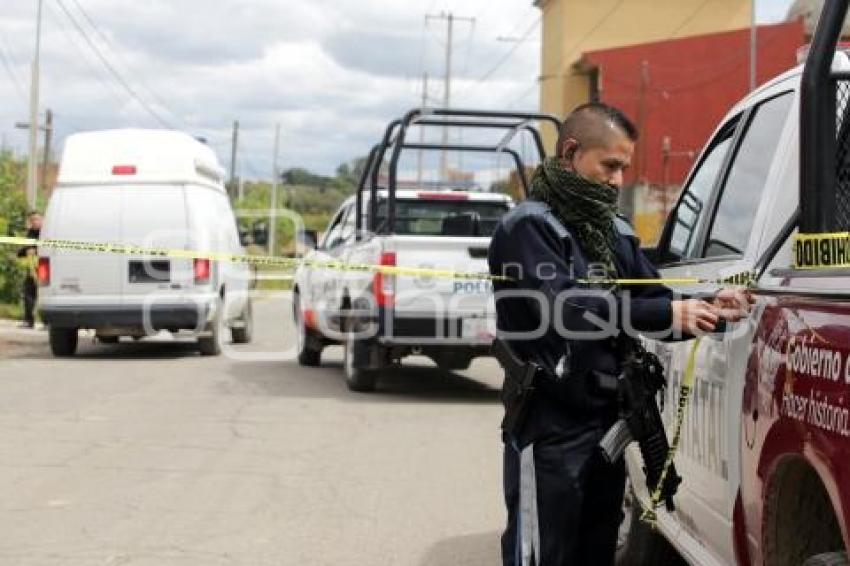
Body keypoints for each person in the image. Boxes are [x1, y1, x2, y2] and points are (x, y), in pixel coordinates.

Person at [488, 103, 752, 565]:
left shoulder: (614, 231)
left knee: (598, 551)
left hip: (609, 422)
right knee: (541, 555)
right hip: (550, 425)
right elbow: (565, 309)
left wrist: (713, 307)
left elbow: (656, 299)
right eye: (609, 165)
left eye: (624, 169)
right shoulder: (527, 227)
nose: (617, 180)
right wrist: (670, 313)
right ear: (571, 151)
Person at [16, 211, 42, 328]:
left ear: (42, 219)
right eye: (32, 220)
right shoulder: (30, 233)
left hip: (44, 267)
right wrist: (21, 253)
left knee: (43, 294)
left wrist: (35, 251)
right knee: (28, 293)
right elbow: (25, 249)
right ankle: (28, 320)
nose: (34, 222)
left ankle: (47, 322)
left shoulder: (46, 232)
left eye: (36, 219)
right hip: (32, 269)